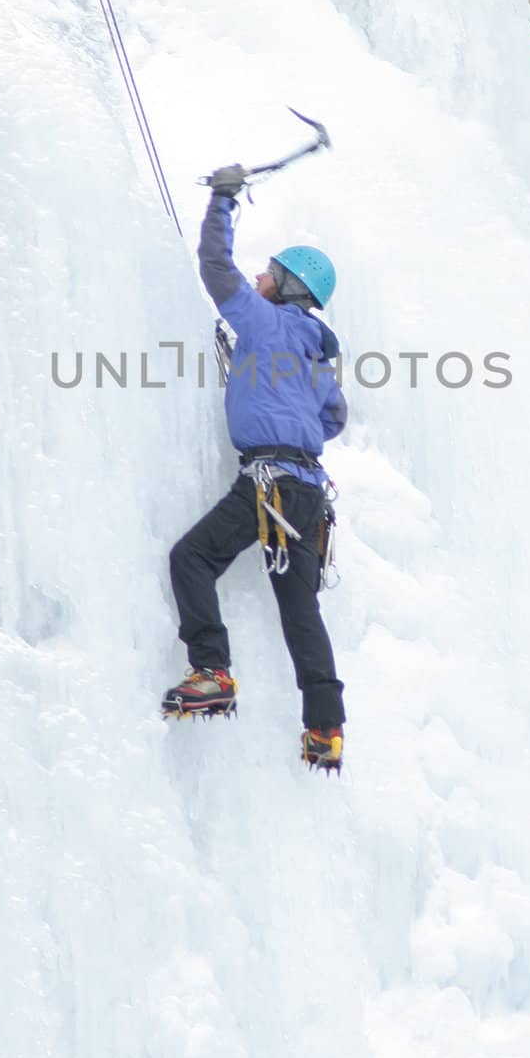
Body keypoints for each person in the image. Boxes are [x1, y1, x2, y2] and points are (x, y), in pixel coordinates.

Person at [162, 164, 348, 771]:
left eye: (272, 272)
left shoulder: (265, 323)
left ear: (287, 287)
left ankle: (211, 671)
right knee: (300, 611)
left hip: (267, 482)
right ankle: (325, 730)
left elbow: (218, 271)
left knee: (191, 559)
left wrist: (222, 200)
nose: (260, 276)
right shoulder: (315, 354)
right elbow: (333, 419)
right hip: (308, 495)